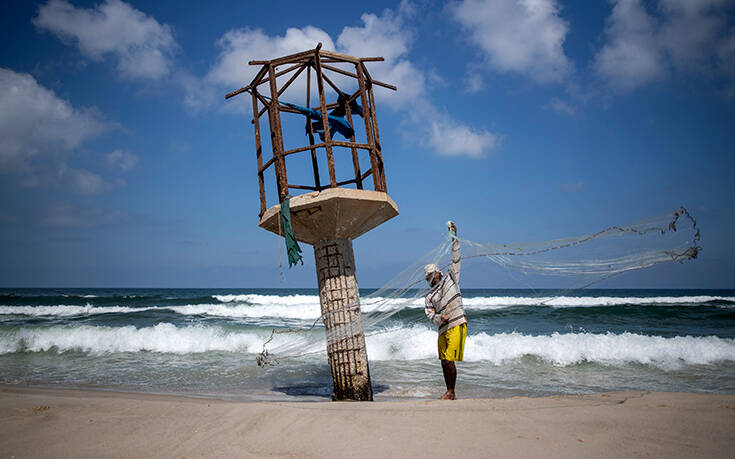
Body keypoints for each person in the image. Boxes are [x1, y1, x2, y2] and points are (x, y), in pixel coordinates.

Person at [424, 221, 467, 400]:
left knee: (449, 359)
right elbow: (429, 315)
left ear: (438, 273)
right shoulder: (429, 296)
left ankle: (451, 392)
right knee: (443, 361)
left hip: (457, 323)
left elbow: (455, 258)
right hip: (443, 329)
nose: (431, 278)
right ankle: (450, 392)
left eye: (432, 274)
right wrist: (440, 318)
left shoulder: (451, 277)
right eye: (428, 277)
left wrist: (454, 238)